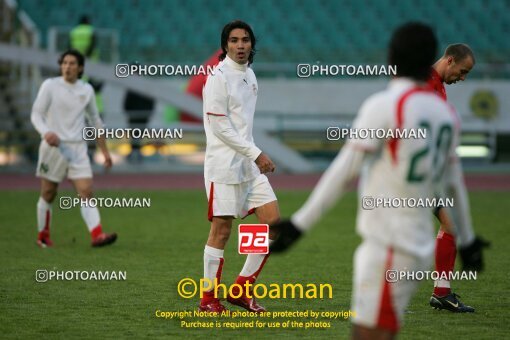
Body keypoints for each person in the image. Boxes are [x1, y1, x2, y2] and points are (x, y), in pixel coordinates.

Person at [271, 22, 456, 339]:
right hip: (415, 242)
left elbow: (345, 170)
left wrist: (299, 223)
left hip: (389, 245)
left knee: (367, 334)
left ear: (391, 57)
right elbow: (453, 182)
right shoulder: (444, 113)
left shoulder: (384, 106)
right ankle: (441, 288)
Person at [199, 20, 280, 313]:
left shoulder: (249, 74)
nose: (241, 45)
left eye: (245, 40)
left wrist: (253, 156)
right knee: (221, 231)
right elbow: (220, 127)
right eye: (234, 40)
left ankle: (241, 289)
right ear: (225, 45)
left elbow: (242, 127)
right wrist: (257, 153)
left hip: (248, 166)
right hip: (223, 167)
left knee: (273, 223)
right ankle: (208, 298)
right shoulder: (217, 77)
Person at [31, 49, 117, 248]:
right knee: (49, 193)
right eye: (64, 63)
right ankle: (43, 235)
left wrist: (105, 152)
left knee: (86, 191)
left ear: (80, 68)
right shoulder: (50, 86)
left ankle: (97, 235)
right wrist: (46, 132)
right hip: (53, 148)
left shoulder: (86, 90)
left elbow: (96, 121)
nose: (67, 67)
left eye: (72, 63)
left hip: (77, 149)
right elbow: (36, 114)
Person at [427, 44, 489, 312]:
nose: (462, 78)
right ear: (449, 60)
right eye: (462, 72)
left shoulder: (437, 85)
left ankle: (441, 292)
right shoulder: (424, 83)